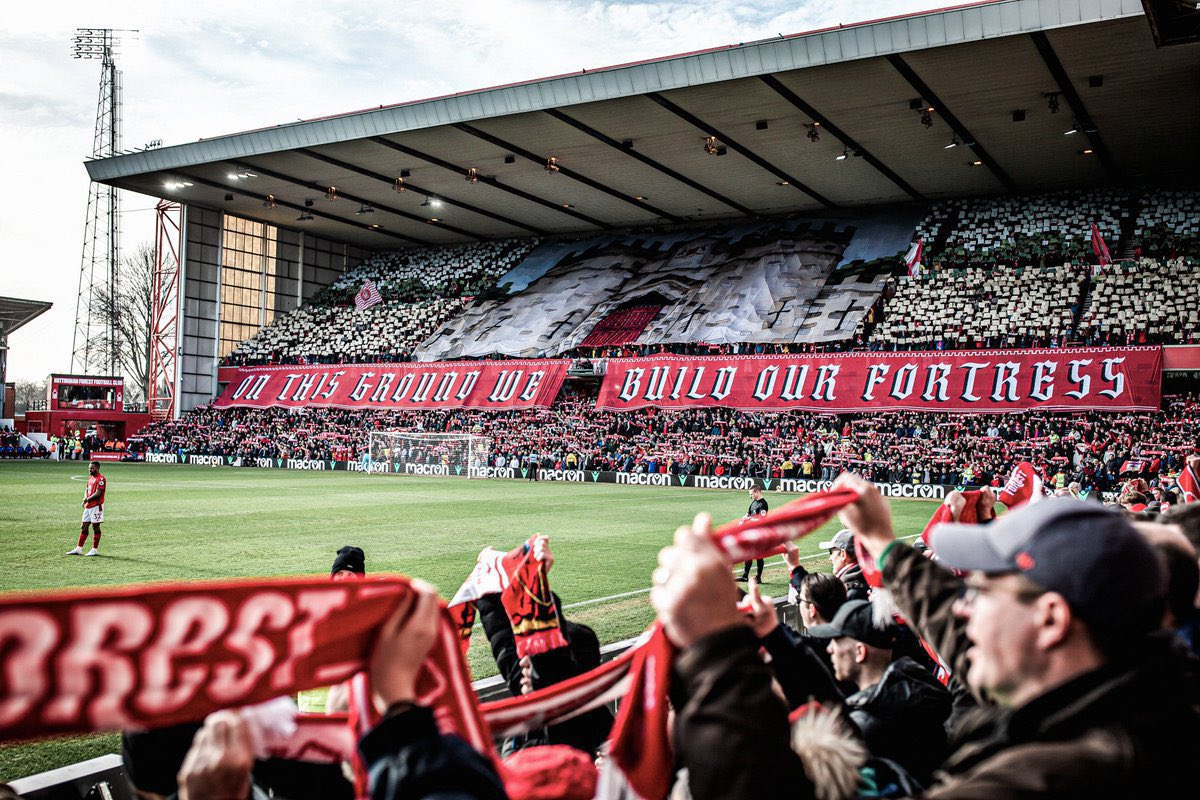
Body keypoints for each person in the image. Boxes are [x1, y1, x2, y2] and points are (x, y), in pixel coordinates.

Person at [650, 477, 1200, 799]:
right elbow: (958, 633)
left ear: (1052, 620)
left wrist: (716, 652)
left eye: (981, 591)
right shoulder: (1122, 690)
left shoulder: (1057, 777)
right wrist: (883, 543)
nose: (965, 607)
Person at [809, 599, 951, 785]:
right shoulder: (919, 689)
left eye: (836, 640)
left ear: (860, 652)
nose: (829, 649)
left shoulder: (865, 727)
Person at [817, 529, 869, 600]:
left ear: (843, 554)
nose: (830, 558)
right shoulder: (872, 579)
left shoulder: (844, 592)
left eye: (831, 552)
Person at [66, 461, 105, 556]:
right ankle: (79, 549)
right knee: (84, 527)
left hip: (96, 506)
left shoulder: (101, 479)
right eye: (89, 468)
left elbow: (98, 493)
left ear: (97, 468)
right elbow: (87, 490)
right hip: (88, 506)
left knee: (96, 527)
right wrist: (85, 498)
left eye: (92, 468)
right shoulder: (91, 478)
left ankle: (94, 550)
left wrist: (87, 499)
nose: (90, 470)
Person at [738, 485, 769, 582]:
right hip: (751, 532)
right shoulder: (753, 502)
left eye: (752, 494)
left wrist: (749, 519)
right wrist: (742, 520)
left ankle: (758, 577)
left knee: (759, 555)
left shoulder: (763, 504)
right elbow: (748, 513)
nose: (751, 496)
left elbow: (762, 520)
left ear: (757, 492)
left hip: (759, 533)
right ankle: (745, 575)